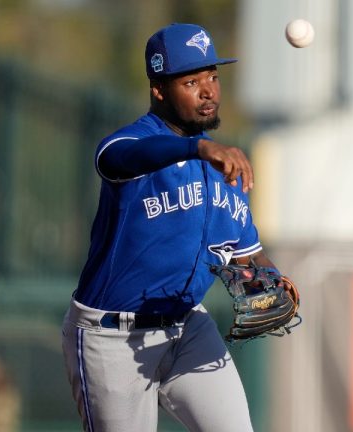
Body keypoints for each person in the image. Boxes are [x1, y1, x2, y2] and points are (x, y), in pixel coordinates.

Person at [61, 23, 287, 432]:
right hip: (114, 337)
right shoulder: (134, 146)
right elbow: (117, 158)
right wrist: (197, 147)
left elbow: (247, 252)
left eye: (213, 77)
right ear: (159, 90)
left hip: (188, 329)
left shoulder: (223, 167)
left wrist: (271, 280)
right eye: (191, 81)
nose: (209, 91)